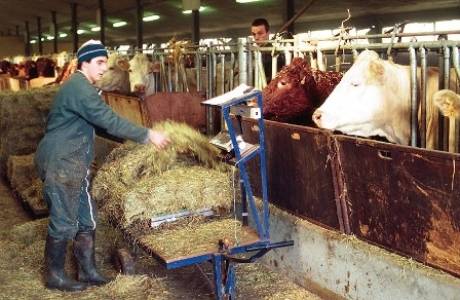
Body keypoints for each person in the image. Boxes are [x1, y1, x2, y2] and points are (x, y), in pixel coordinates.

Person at [34, 40, 169, 292]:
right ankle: (53, 275)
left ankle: (87, 271)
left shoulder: (84, 87)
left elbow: (98, 122)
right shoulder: (79, 88)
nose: (103, 68)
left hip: (74, 161)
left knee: (87, 220)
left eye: (105, 63)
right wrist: (147, 135)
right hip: (62, 161)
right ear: (83, 63)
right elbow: (108, 119)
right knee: (64, 221)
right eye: (98, 62)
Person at [250, 18, 286, 83]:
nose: (256, 37)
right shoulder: (253, 53)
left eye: (260, 33)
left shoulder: (274, 53)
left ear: (268, 33)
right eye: (254, 34)